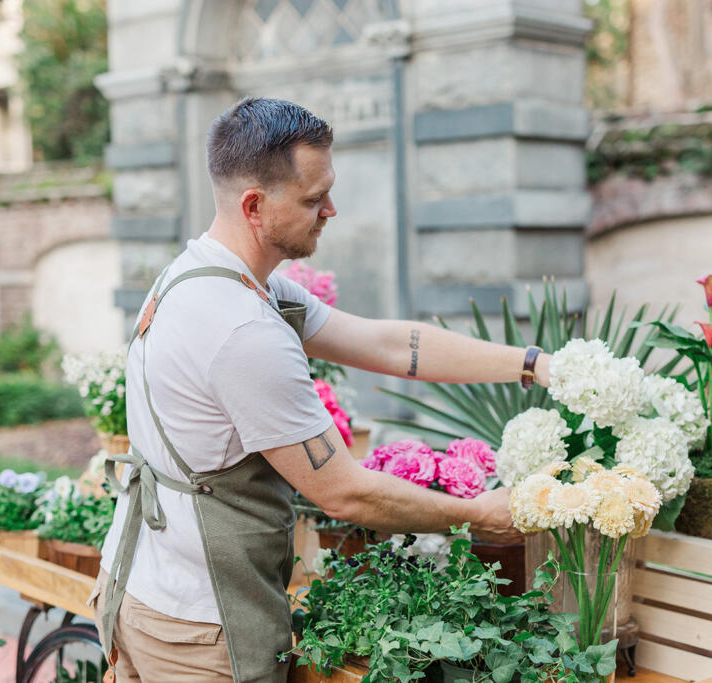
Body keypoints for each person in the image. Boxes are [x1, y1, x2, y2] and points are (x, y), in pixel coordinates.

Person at [90, 97, 555, 683]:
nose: (331, 210)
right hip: (199, 629)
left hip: (138, 584)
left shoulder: (203, 273)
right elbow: (346, 496)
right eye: (314, 199)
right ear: (254, 206)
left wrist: (536, 364)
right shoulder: (244, 331)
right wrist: (479, 513)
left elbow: (384, 344)